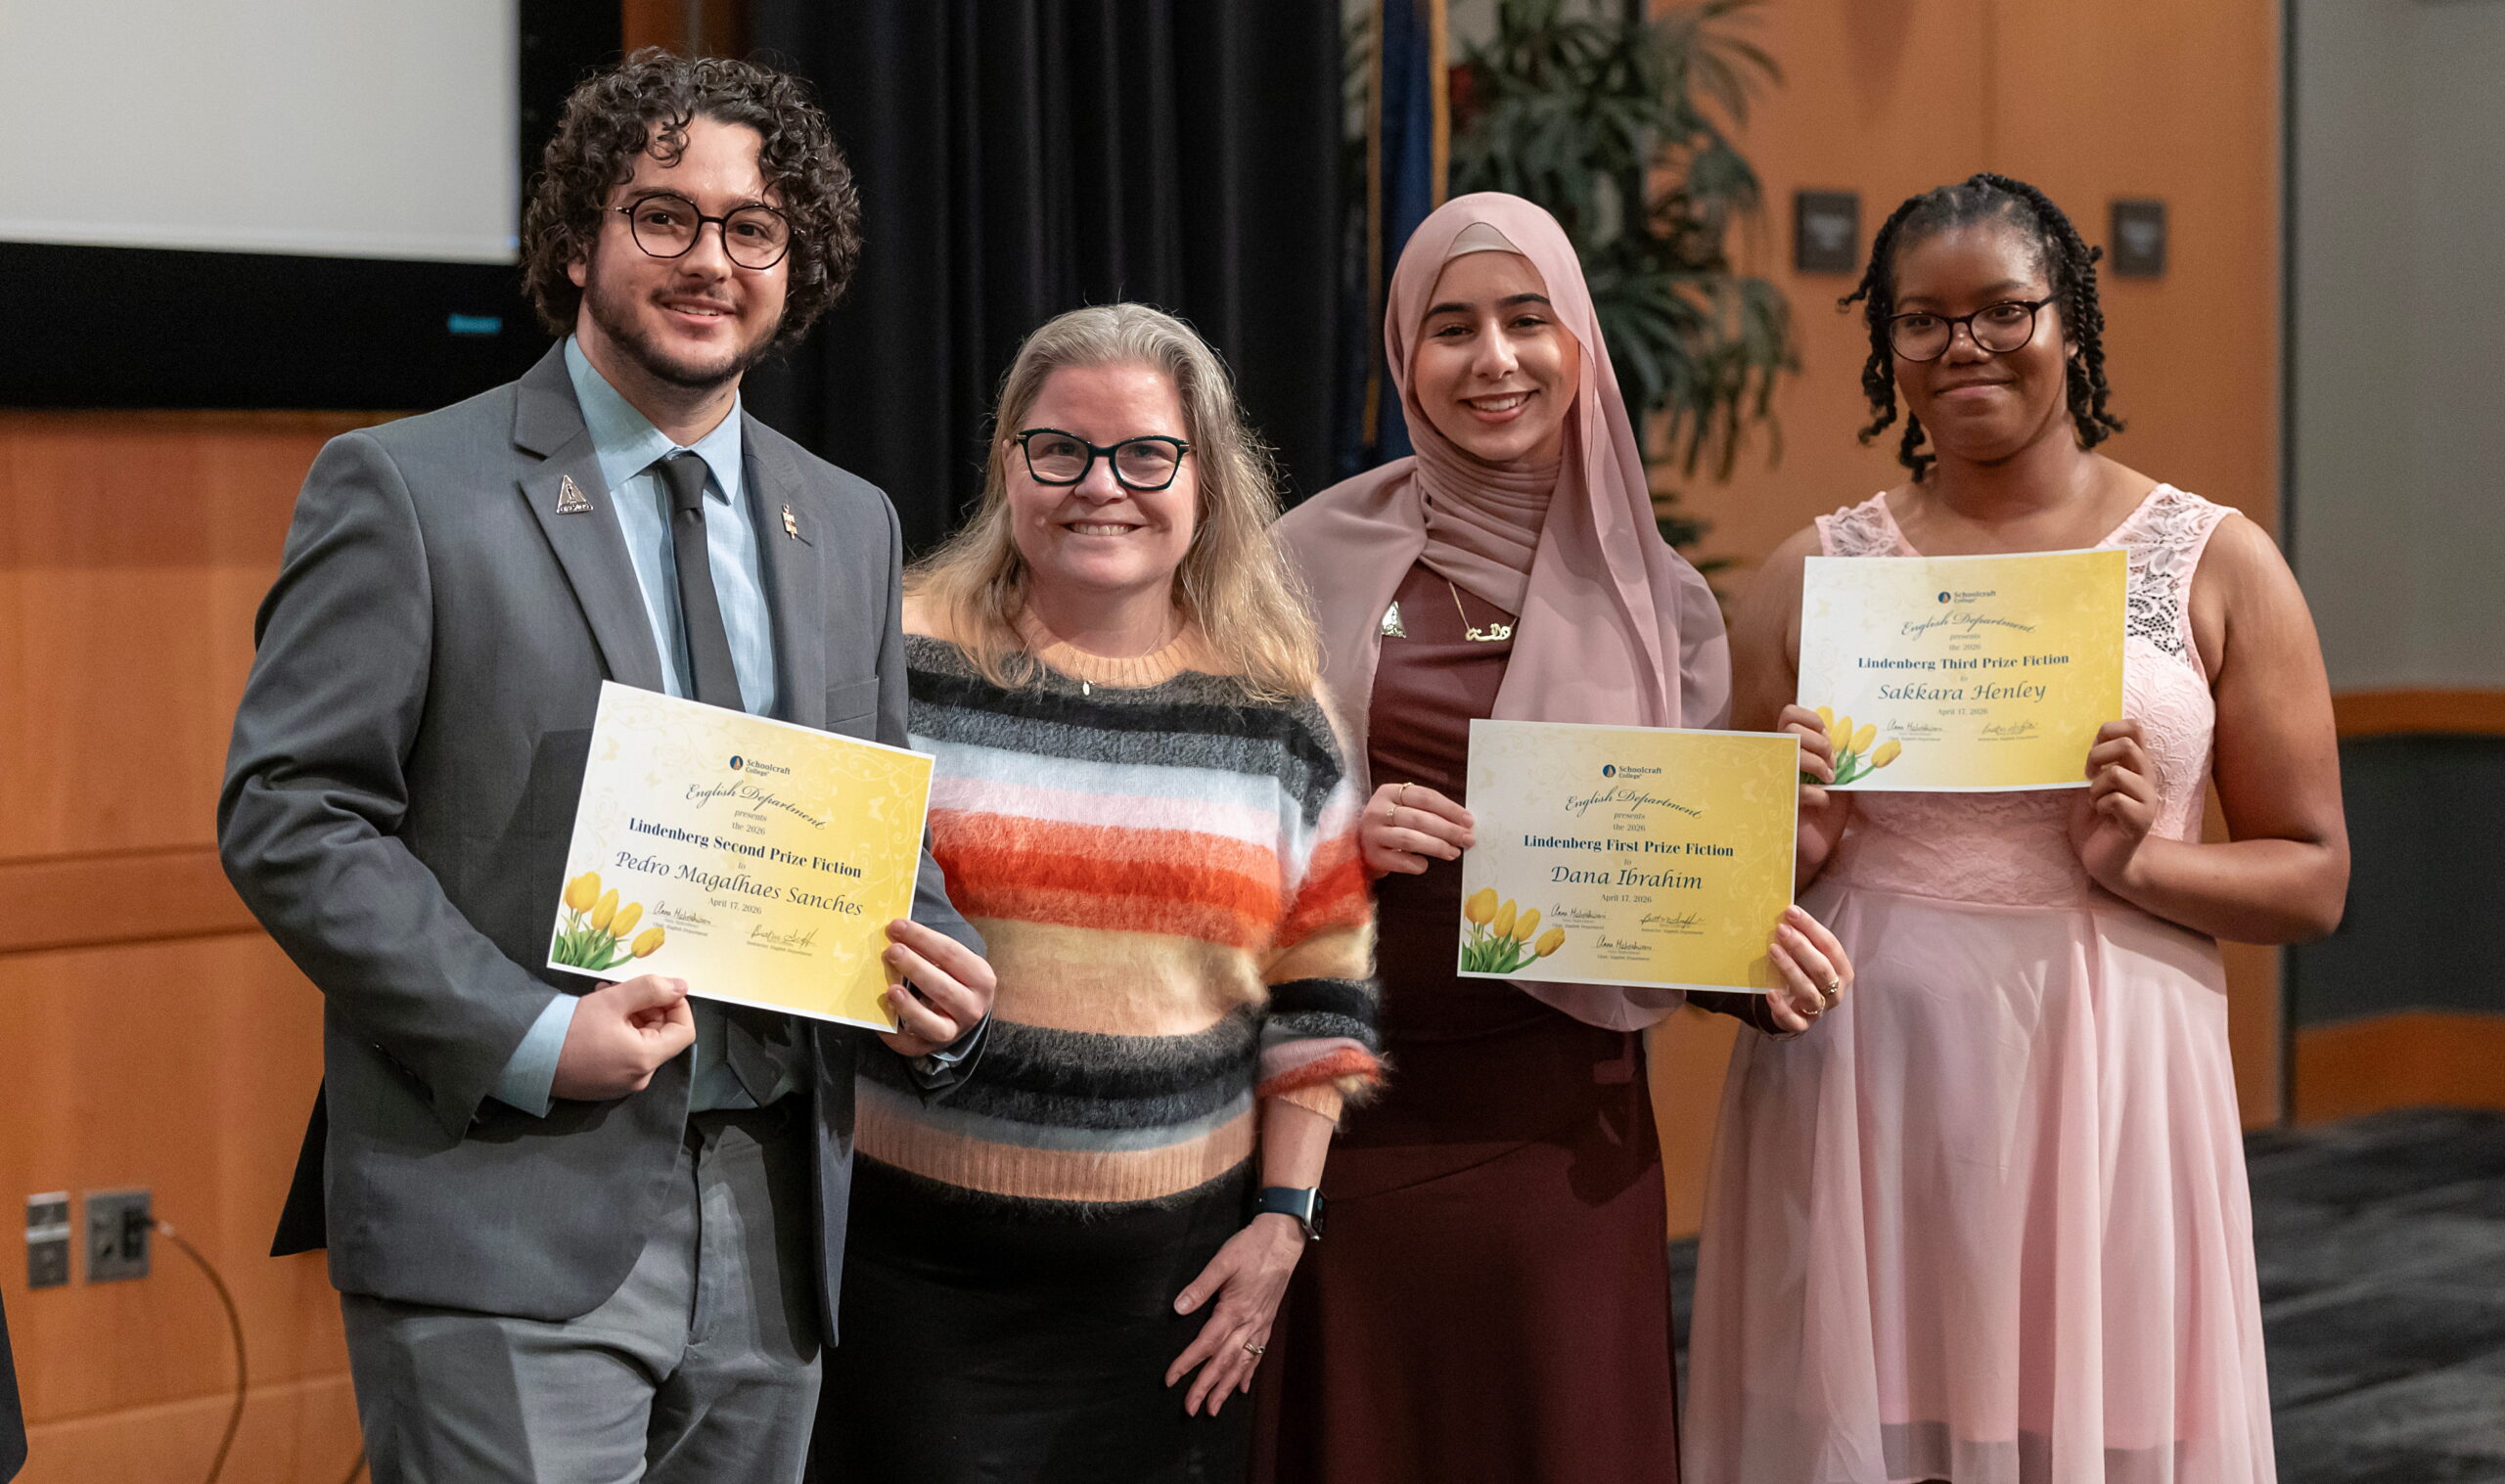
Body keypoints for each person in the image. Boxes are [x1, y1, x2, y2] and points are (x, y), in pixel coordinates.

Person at [217, 52, 995, 1484]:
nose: (711, 260)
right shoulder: (406, 488)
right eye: (664, 215)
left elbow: (873, 814)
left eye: (750, 227)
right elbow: (290, 815)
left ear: (793, 262)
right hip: (503, 1203)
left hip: (776, 1225)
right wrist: (528, 1033)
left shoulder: (852, 521)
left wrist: (934, 969)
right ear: (578, 237)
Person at [1683, 173, 2349, 1484]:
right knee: (1870, 1426)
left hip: (2111, 1059)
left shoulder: (2217, 562)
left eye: (2002, 310)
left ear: (2074, 325)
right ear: (1887, 349)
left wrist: (2142, 858)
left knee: (2101, 1425)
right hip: (1868, 1067)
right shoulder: (1810, 576)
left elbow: (2315, 877)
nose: (1961, 346)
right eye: (1920, 321)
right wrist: (1791, 837)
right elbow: (1716, 904)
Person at [1257, 193, 1852, 1484]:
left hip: (1560, 1143)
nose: (1496, 359)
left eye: (1530, 320)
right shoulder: (1307, 559)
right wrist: (1339, 835)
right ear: (1403, 356)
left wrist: (1765, 909)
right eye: (1453, 328)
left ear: (1579, 342)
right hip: (1350, 1121)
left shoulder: (1664, 600)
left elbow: (1675, 910)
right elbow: (1214, 815)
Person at [810, 303, 1383, 1484]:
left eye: (1145, 455)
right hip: (907, 1268)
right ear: (1007, 464)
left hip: (1167, 1296)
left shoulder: (1279, 715)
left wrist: (1285, 1220)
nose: (1099, 486)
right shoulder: (893, 660)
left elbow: (1320, 1004)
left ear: (1206, 478)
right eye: (1058, 448)